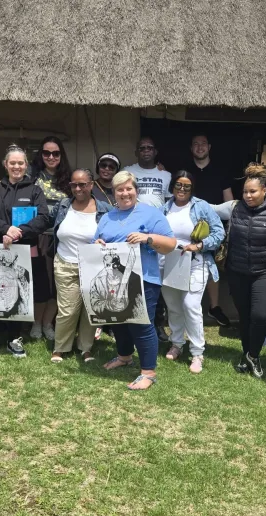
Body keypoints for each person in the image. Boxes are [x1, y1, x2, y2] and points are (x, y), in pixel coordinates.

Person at [95, 171, 176, 390]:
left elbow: (170, 244)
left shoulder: (151, 214)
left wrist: (147, 238)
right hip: (113, 280)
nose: (125, 193)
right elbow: (97, 242)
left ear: (136, 190)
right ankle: (124, 356)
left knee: (141, 324)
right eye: (120, 189)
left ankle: (148, 372)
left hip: (144, 279)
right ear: (114, 193)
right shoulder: (107, 217)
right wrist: (99, 244)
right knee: (118, 320)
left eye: (129, 188)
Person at [0, 144, 49, 359]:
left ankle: (14, 337)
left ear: (26, 165)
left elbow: (44, 218)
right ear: (5, 165)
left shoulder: (35, 190)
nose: (16, 166)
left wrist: (18, 233)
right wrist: (4, 229)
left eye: (20, 163)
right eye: (12, 163)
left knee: (18, 293)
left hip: (24, 251)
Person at [224, 163, 266, 377]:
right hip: (237, 271)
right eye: (245, 191)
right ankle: (248, 354)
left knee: (260, 316)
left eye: (253, 191)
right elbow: (206, 208)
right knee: (244, 316)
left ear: (264, 190)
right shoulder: (234, 207)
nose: (248, 195)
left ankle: (253, 355)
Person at [160, 171, 225, 373]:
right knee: (173, 305)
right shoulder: (164, 208)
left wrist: (199, 246)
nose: (182, 189)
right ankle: (177, 343)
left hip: (196, 261)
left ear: (192, 188)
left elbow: (219, 232)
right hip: (168, 262)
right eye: (179, 185)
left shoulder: (201, 206)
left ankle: (197, 352)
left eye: (187, 186)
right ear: (172, 186)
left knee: (190, 305)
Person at [46, 168, 112, 363]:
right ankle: (60, 347)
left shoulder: (104, 209)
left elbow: (116, 232)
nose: (77, 188)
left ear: (91, 185)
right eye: (74, 184)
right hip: (66, 263)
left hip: (93, 266)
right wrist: (18, 229)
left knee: (90, 308)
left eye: (82, 184)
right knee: (68, 309)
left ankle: (86, 348)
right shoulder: (64, 205)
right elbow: (44, 220)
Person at [123, 137, 173, 340]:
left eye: (149, 148)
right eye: (141, 148)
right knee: (131, 279)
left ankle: (157, 325)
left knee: (156, 283)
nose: (146, 151)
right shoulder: (128, 171)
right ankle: (128, 323)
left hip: (157, 234)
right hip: (132, 234)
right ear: (136, 151)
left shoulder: (166, 174)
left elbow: (169, 202)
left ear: (155, 151)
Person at [183, 134, 233, 327]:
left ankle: (214, 307)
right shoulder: (185, 171)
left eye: (203, 144)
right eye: (195, 144)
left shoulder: (221, 170)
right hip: (189, 224)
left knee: (212, 267)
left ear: (209, 147)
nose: (200, 147)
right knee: (187, 262)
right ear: (191, 148)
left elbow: (228, 201)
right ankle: (186, 305)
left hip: (213, 225)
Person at [28, 136, 72, 341]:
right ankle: (36, 323)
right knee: (41, 283)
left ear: (61, 155)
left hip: (62, 238)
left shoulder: (69, 179)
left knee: (57, 284)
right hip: (38, 237)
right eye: (46, 153)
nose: (51, 157)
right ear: (41, 155)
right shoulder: (32, 176)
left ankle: (48, 323)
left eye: (55, 153)